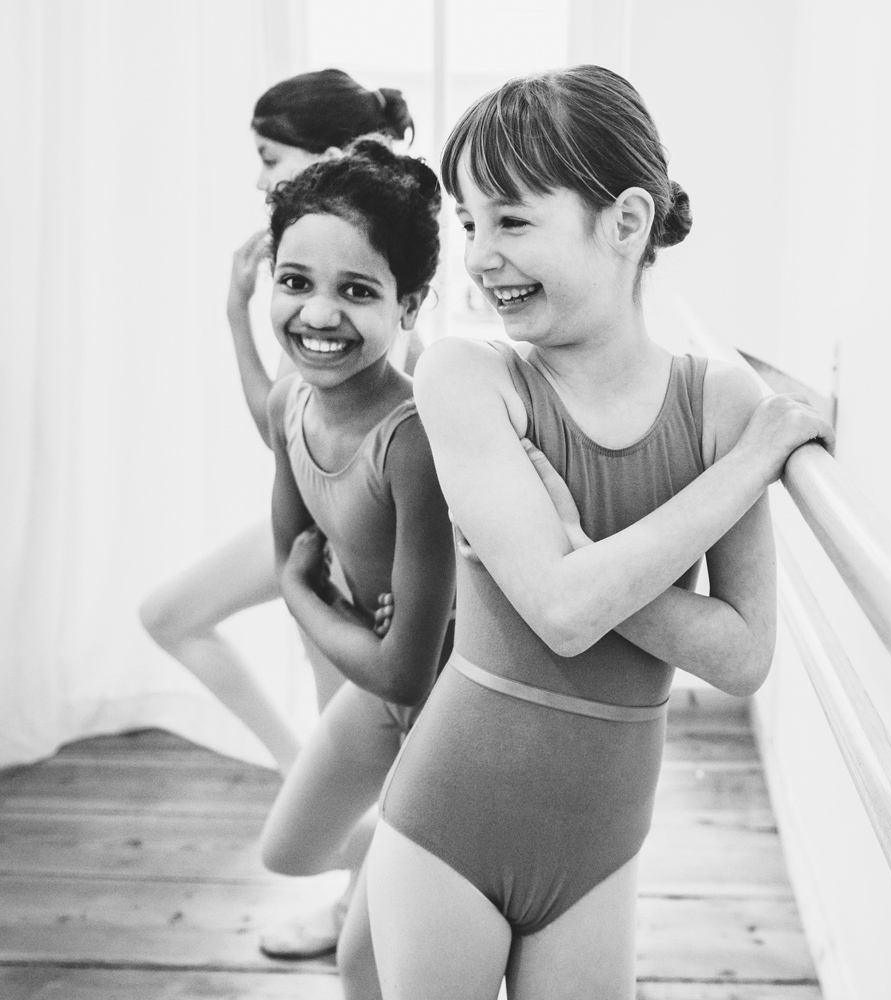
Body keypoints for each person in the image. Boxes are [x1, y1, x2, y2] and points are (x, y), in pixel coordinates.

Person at [365, 65, 832, 999]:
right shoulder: (469, 378)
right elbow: (561, 613)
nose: (479, 255)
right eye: (469, 225)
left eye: (511, 220)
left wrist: (583, 558)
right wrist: (747, 467)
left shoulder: (719, 400)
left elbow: (743, 655)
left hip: (603, 851)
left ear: (624, 223)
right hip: (449, 823)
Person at [136, 69, 420, 962]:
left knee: (383, 741)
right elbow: (284, 419)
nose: (260, 180)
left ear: (327, 156)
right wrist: (236, 315)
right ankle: (335, 830)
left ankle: (364, 915)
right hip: (318, 526)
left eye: (269, 159)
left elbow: (374, 439)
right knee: (172, 614)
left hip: (361, 550)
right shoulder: (304, 270)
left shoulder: (378, 275)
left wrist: (328, 586)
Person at [257, 137, 455, 998]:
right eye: (296, 281)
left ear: (410, 305)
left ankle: (436, 861)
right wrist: (311, 592)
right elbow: (288, 547)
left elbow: (408, 666)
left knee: (364, 965)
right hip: (385, 690)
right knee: (288, 848)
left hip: (449, 711)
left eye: (358, 290)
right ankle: (404, 854)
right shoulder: (288, 397)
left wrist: (303, 596)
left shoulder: (413, 440)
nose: (319, 314)